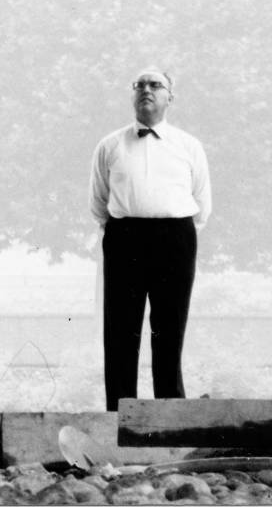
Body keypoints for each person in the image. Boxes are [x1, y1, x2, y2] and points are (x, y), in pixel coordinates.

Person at [90, 63, 211, 410]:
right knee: (121, 329)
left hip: (175, 237)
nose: (146, 90)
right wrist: (125, 229)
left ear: (169, 97)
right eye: (139, 84)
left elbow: (202, 203)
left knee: (169, 328)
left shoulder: (189, 146)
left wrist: (173, 231)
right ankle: (119, 412)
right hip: (124, 236)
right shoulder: (110, 145)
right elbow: (98, 202)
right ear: (132, 95)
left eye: (155, 85)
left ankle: (169, 414)